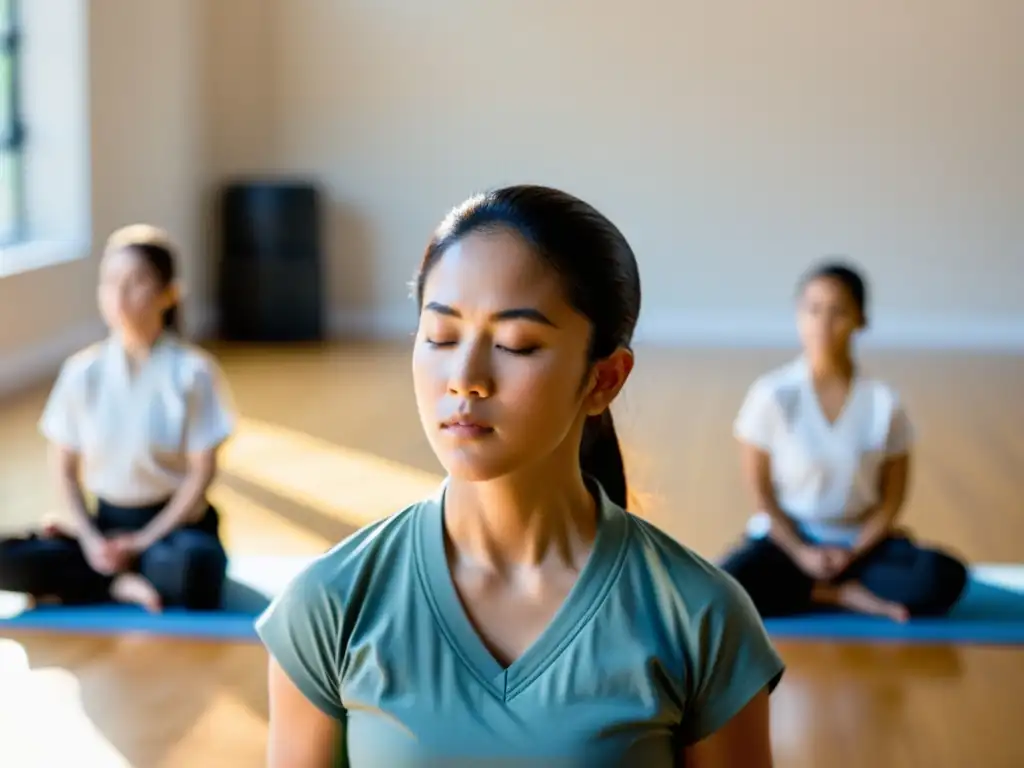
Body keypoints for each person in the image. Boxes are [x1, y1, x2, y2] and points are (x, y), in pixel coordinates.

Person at [256, 185, 784, 767]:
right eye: (441, 336)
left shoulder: (699, 618)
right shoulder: (329, 605)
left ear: (604, 380)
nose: (465, 377)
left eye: (516, 343)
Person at [0, 225, 235, 613]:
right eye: (110, 282)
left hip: (172, 530)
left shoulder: (193, 372)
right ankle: (120, 580)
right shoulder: (82, 371)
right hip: (105, 524)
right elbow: (64, 471)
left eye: (136, 282)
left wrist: (141, 542)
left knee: (199, 569)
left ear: (168, 294)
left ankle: (108, 577)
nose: (120, 295)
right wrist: (91, 539)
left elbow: (201, 474)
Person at [720, 262, 968, 622]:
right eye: (813, 310)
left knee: (943, 576)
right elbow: (762, 495)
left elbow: (892, 498)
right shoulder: (771, 394)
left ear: (860, 320)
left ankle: (821, 588)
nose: (823, 323)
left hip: (860, 545)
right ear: (798, 316)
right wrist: (802, 552)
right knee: (726, 585)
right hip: (789, 542)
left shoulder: (884, 402)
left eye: (838, 312)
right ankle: (835, 594)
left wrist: (854, 550)